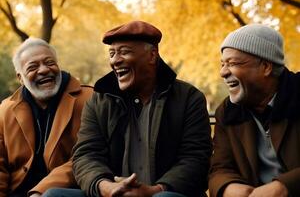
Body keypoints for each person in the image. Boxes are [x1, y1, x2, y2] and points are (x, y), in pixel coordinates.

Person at [44, 21, 212, 197]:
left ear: (152, 56)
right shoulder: (99, 100)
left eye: (124, 52)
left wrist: (154, 191)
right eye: (112, 54)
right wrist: (106, 187)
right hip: (112, 194)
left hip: (167, 193)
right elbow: (86, 155)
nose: (115, 60)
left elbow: (196, 159)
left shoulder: (189, 98)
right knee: (53, 195)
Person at [209, 24, 300, 197]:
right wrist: (229, 187)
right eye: (222, 64)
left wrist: (285, 187)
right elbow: (220, 167)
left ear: (266, 67)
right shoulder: (227, 111)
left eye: (233, 63)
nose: (223, 72)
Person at [0, 38, 93, 197]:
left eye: (50, 63)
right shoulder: (5, 111)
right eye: (33, 67)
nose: (43, 70)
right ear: (20, 78)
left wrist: (40, 192)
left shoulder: (90, 100)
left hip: (67, 191)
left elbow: (87, 156)